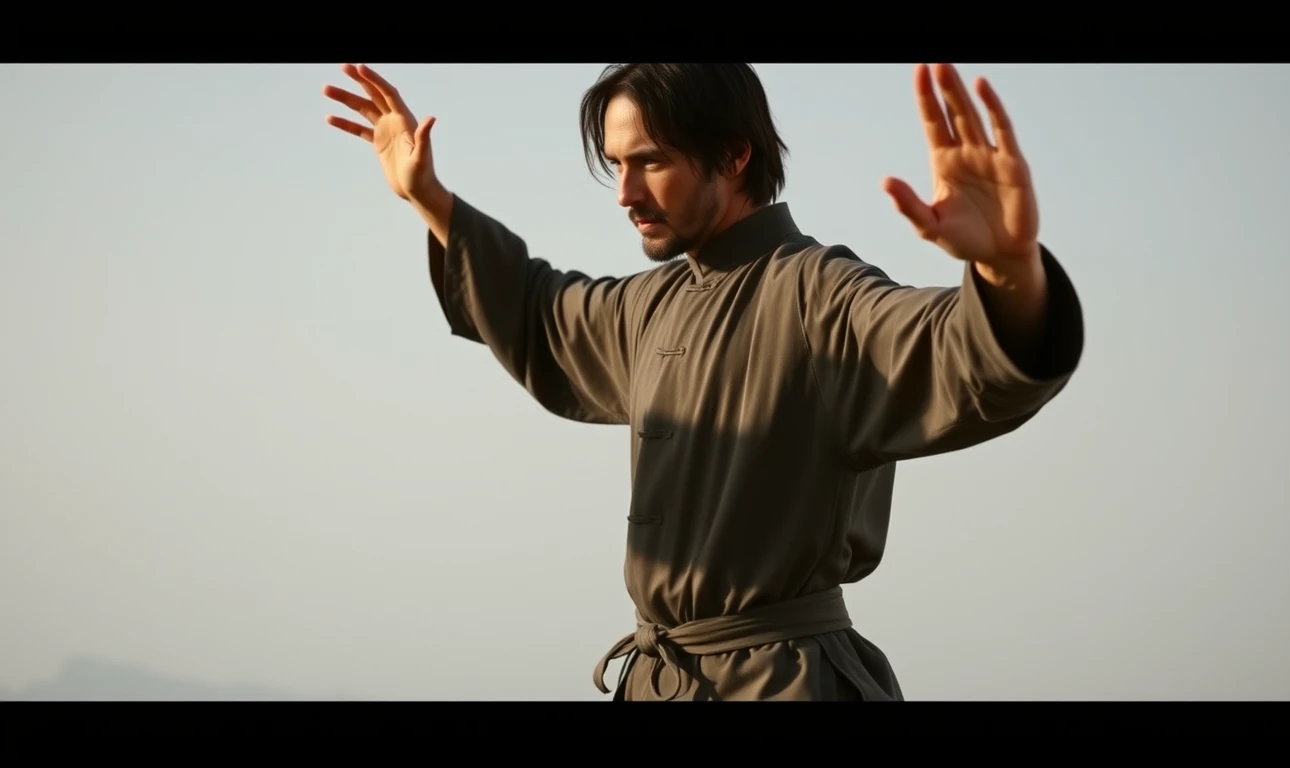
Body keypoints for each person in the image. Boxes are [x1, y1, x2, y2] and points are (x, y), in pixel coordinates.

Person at [322, 62, 1085, 701]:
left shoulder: (822, 295)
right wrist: (428, 196)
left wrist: (1007, 269)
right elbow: (534, 310)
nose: (626, 194)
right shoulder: (647, 306)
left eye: (650, 161)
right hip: (658, 680)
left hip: (784, 681)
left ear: (733, 154)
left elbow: (960, 354)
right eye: (616, 165)